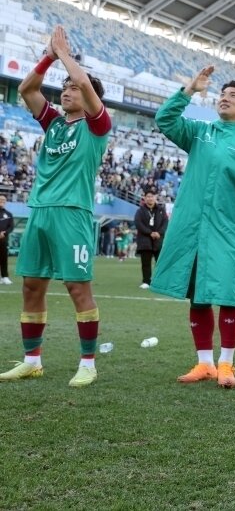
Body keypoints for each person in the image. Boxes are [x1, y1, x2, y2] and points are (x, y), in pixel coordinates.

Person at [150, 67, 235, 389]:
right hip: (192, 228)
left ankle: (227, 364)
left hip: (229, 230)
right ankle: (205, 363)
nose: (224, 98)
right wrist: (189, 89)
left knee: (228, 295)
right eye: (221, 94)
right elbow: (165, 120)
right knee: (199, 296)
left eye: (233, 95)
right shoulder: (201, 132)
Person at [0, 25, 111, 388]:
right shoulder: (53, 124)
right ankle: (33, 360)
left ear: (91, 95)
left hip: (72, 213)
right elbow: (26, 89)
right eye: (64, 86)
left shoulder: (97, 125)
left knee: (78, 288)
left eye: (74, 86)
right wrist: (49, 55)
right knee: (32, 285)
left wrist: (66, 55)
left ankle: (88, 363)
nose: (66, 89)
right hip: (41, 211)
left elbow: (86, 87)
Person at [135, 189, 168, 290]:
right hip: (145, 240)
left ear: (155, 197)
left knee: (160, 262)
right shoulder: (140, 211)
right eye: (148, 196)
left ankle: (160, 281)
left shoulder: (161, 210)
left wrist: (159, 233)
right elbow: (138, 224)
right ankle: (146, 281)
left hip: (158, 240)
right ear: (144, 198)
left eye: (152, 196)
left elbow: (165, 223)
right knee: (146, 263)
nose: (150, 198)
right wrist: (150, 233)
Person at [0, 194, 13, 285]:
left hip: (3, 240)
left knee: (4, 258)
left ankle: (5, 277)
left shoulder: (8, 214)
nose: (2, 201)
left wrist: (4, 233)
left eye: (4, 200)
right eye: (0, 199)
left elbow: (11, 226)